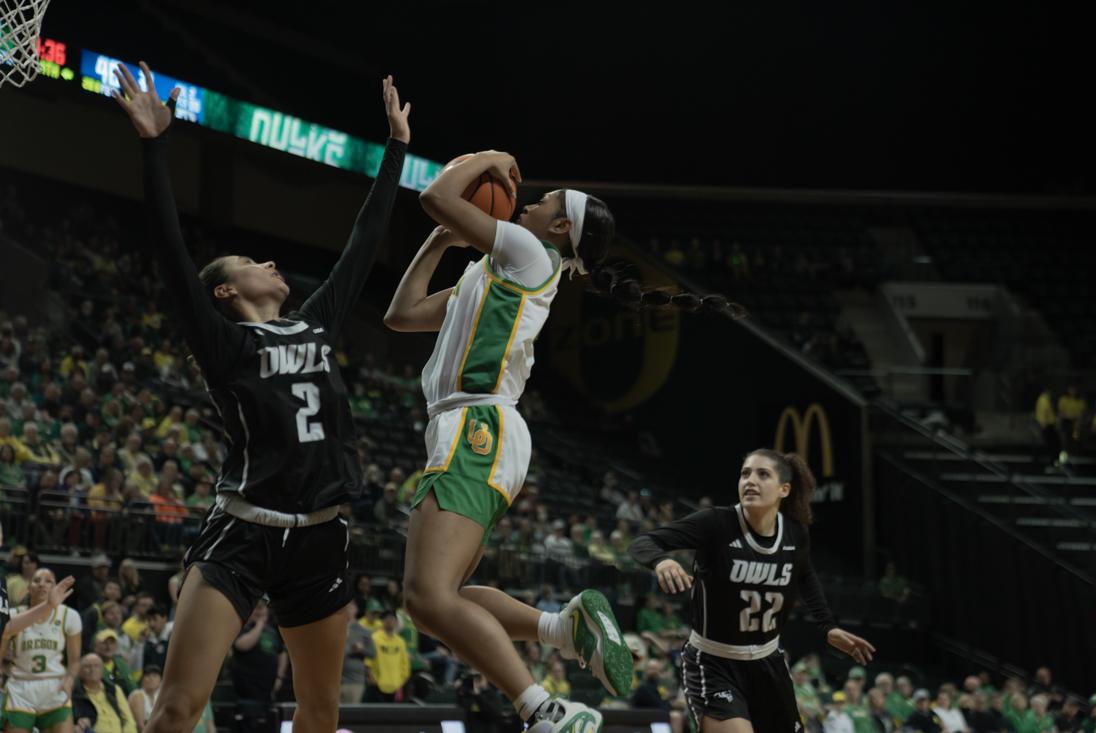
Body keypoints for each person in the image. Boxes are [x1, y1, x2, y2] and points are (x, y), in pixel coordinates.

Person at [112, 61, 410, 733]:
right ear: (225, 290)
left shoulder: (317, 321)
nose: (270, 263)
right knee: (176, 710)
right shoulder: (225, 344)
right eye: (251, 262)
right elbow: (168, 251)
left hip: (321, 538)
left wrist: (396, 148)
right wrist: (155, 147)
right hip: (243, 531)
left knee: (320, 710)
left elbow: (364, 242)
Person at [388, 144, 723, 732]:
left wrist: (492, 155)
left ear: (562, 226)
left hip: (478, 426)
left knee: (426, 598)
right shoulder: (498, 267)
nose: (529, 201)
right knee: (444, 603)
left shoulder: (527, 251)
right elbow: (403, 313)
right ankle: (560, 630)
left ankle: (546, 710)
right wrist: (440, 240)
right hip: (477, 428)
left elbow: (434, 195)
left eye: (542, 202)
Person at [628, 449, 875, 733]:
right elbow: (642, 543)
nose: (750, 481)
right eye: (745, 473)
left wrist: (828, 626)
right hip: (714, 662)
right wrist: (662, 561)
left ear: (784, 489)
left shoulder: (795, 533)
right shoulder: (716, 523)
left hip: (768, 662)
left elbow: (805, 575)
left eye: (762, 474)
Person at [2, 568, 83, 733]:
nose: (42, 585)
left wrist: (69, 679)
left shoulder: (69, 615)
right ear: (28, 587)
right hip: (20, 686)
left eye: (48, 581)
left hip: (54, 685)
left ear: (55, 587)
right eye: (37, 580)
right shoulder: (13, 616)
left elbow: (75, 661)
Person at [72, 653, 137, 733]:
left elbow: (128, 720)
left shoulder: (114, 689)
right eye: (87, 666)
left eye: (96, 666)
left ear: (102, 670)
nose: (92, 670)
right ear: (79, 671)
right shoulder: (75, 693)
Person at [128, 665, 162, 730]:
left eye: (154, 676)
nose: (151, 679)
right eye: (147, 676)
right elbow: (140, 726)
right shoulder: (137, 695)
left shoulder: (158, 696)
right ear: (142, 680)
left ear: (160, 681)